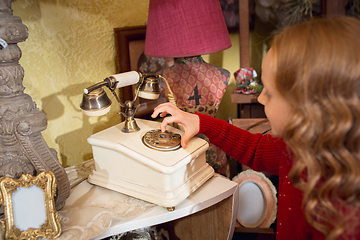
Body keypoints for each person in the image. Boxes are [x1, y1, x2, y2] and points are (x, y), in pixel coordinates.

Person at [152, 16, 360, 240]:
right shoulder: (296, 148)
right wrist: (202, 122)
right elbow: (255, 149)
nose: (260, 98)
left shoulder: (344, 216)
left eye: (269, 93)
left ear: (309, 106)